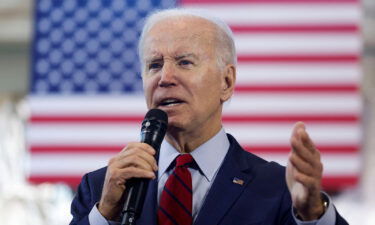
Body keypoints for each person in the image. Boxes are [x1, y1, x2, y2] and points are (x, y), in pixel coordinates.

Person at [70, 8, 349, 225]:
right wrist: (105, 215)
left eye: (185, 62)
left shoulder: (279, 190)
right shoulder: (99, 189)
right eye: (154, 65)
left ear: (226, 82)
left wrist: (313, 213)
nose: (165, 78)